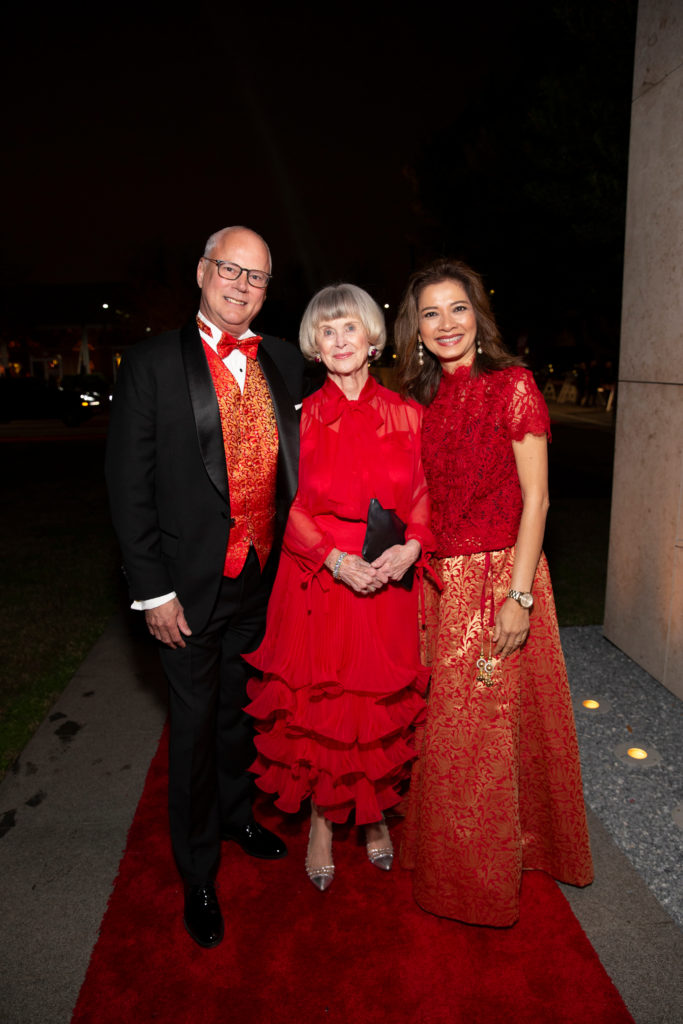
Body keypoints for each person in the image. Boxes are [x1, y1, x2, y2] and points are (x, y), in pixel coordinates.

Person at [105, 226, 307, 948]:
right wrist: (152, 593)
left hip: (262, 580)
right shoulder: (153, 363)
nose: (242, 286)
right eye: (230, 270)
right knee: (191, 728)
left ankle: (236, 813)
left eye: (257, 277)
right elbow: (129, 488)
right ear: (201, 272)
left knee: (238, 712)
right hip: (186, 590)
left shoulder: (283, 359)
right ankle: (196, 870)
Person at [394, 258, 593, 926]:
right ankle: (463, 853)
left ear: (478, 316)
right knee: (448, 731)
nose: (445, 324)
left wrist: (520, 598)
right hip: (435, 583)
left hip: (496, 577)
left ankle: (474, 885)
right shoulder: (420, 398)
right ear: (414, 329)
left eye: (457, 309)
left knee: (472, 736)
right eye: (430, 313)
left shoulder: (513, 386)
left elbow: (536, 499)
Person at [244, 284, 433, 891]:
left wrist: (412, 547)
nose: (341, 340)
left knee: (375, 710)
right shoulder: (298, 421)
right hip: (319, 583)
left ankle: (374, 818)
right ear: (316, 347)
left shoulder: (410, 416)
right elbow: (287, 505)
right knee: (324, 714)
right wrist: (333, 559)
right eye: (328, 331)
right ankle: (324, 823)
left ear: (372, 339)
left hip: (388, 578)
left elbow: (426, 494)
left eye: (351, 328)